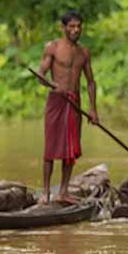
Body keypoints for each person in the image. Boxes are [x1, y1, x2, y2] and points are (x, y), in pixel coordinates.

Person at [37, 10, 98, 202]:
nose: (75, 30)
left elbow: (90, 82)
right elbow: (41, 74)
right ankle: (46, 193)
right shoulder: (53, 47)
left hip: (74, 102)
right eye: (71, 26)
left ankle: (63, 191)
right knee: (51, 148)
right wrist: (52, 85)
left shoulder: (83, 52)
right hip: (56, 101)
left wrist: (93, 109)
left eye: (78, 26)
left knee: (70, 148)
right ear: (63, 28)